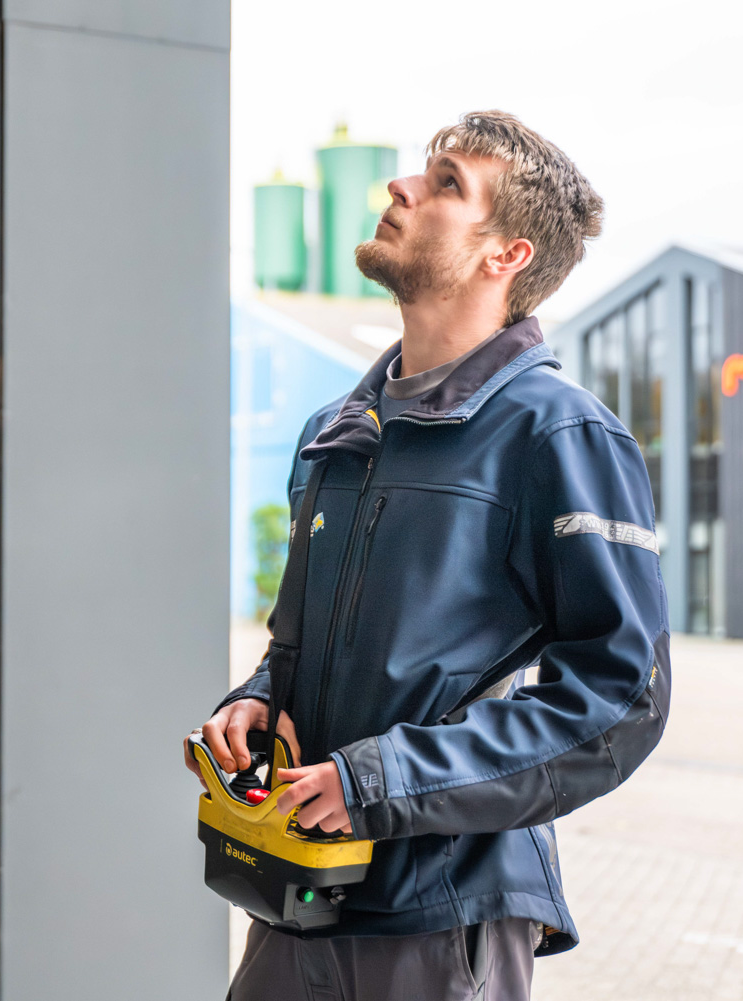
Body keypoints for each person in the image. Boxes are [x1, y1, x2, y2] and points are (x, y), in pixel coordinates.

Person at [185, 111, 671, 1001]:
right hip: (296, 894)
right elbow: (298, 646)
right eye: (419, 171)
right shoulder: (334, 435)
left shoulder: (557, 435)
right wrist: (256, 701)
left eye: (448, 183)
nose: (401, 189)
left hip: (440, 916)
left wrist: (380, 779)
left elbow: (619, 700)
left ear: (507, 255)